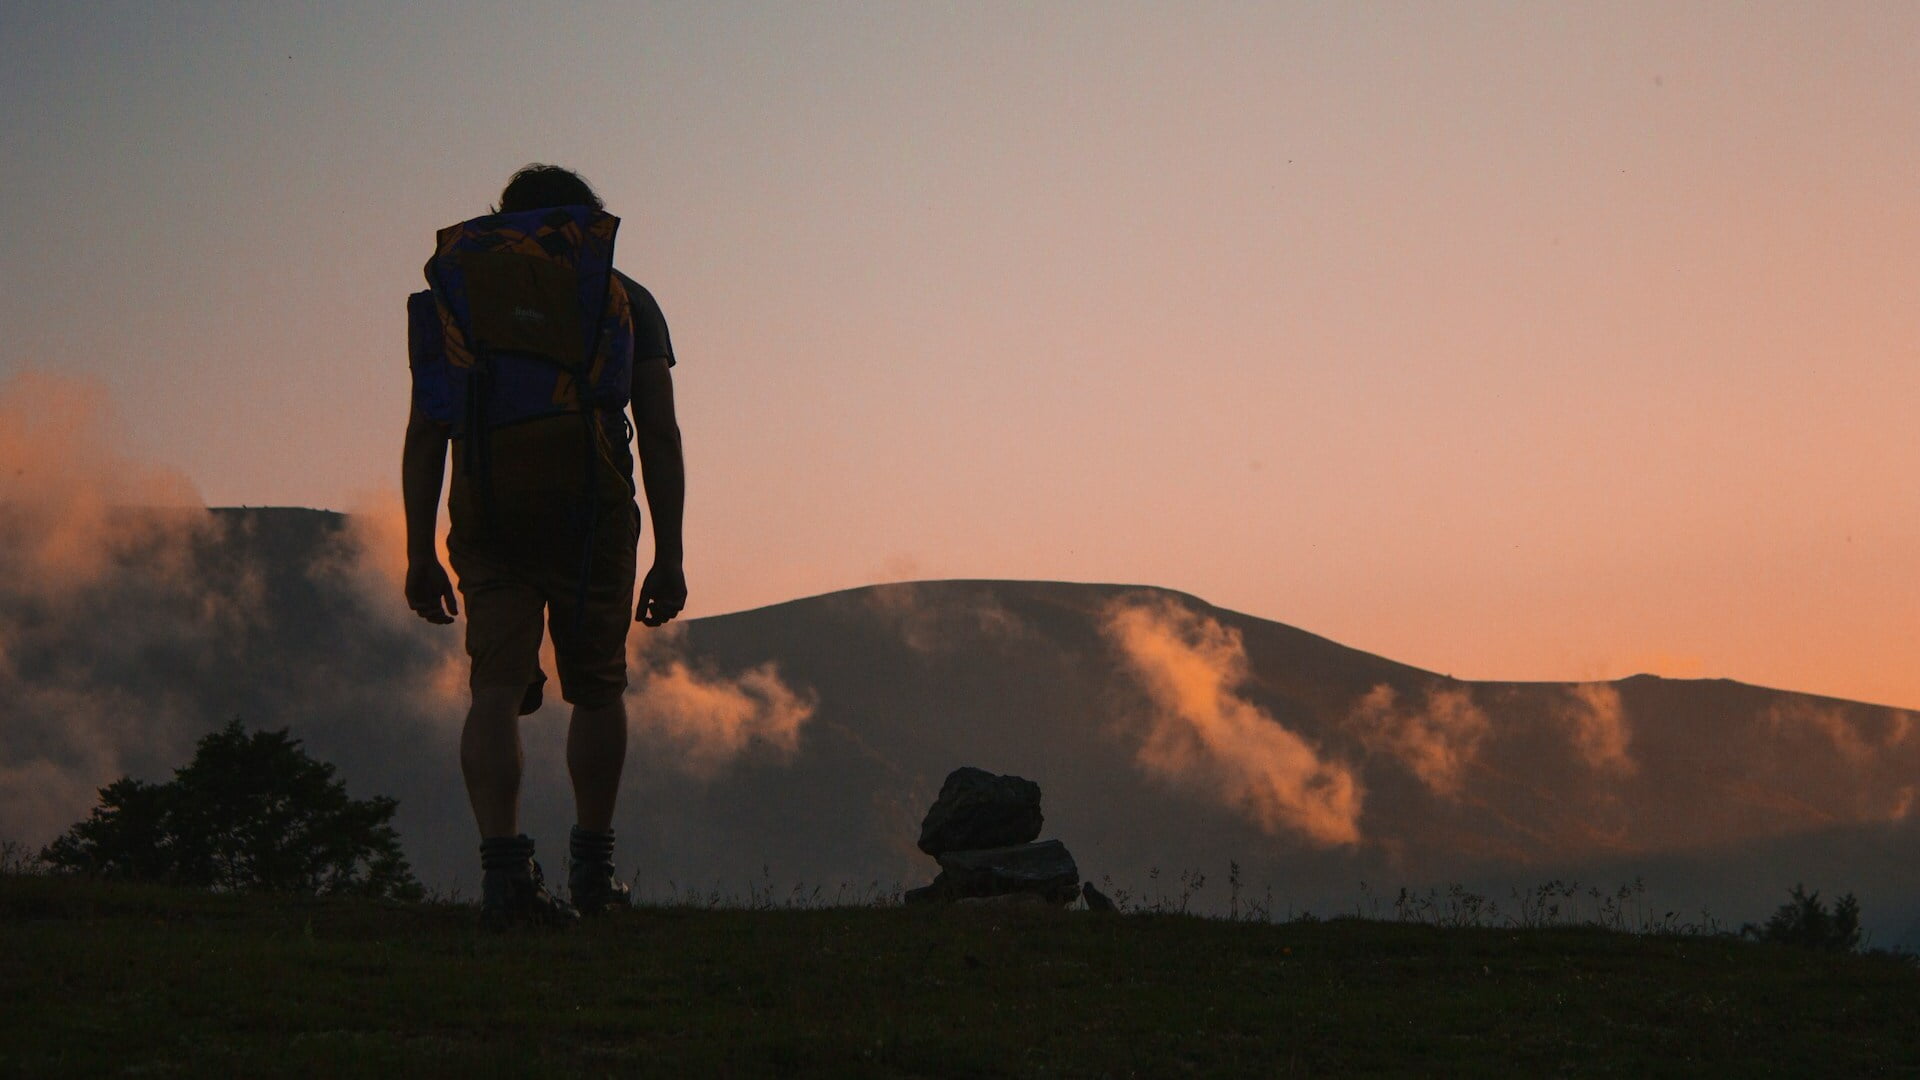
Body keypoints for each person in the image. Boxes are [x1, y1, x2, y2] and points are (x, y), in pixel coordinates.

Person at [401, 164, 686, 928]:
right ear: (582, 222)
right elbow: (656, 429)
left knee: (493, 689)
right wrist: (671, 551)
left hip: (488, 504)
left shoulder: (464, 297)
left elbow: (429, 429)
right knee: (596, 686)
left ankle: (504, 879)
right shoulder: (620, 297)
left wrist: (419, 549)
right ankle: (592, 875)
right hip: (589, 507)